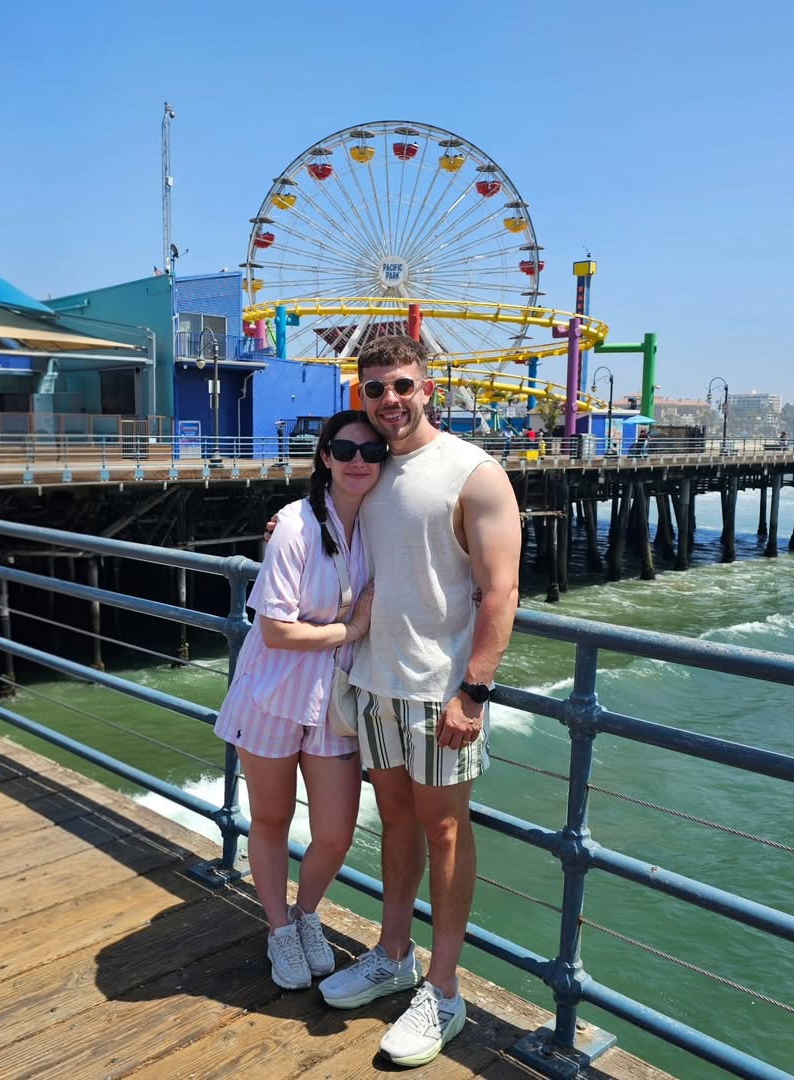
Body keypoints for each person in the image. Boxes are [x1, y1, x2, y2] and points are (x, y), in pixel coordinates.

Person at [318, 336, 521, 1068]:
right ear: (361, 396)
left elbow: (501, 590)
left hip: (441, 691)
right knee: (397, 822)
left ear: (428, 387)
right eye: (375, 389)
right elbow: (334, 523)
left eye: (402, 385)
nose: (390, 400)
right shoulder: (368, 466)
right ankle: (394, 954)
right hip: (376, 680)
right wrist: (287, 523)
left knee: (446, 832)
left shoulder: (474, 472)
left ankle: (444, 989)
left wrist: (475, 690)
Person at [215, 409, 384, 991]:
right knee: (271, 818)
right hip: (273, 691)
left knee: (335, 831)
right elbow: (275, 631)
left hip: (334, 698)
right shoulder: (294, 525)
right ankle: (279, 928)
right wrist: (350, 630)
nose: (359, 461)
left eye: (372, 452)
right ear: (325, 457)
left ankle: (306, 912)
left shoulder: (381, 525)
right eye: (346, 450)